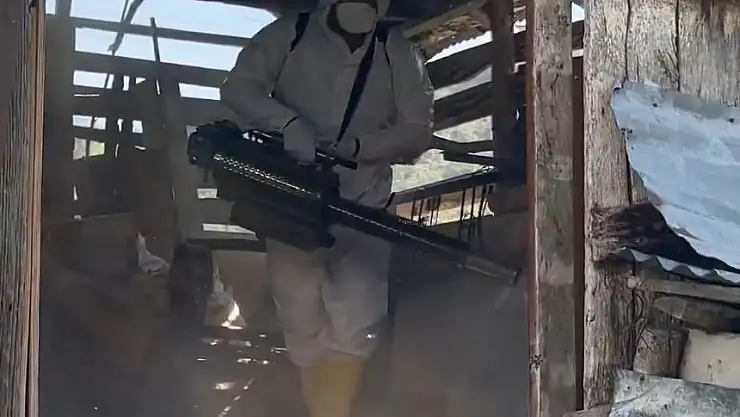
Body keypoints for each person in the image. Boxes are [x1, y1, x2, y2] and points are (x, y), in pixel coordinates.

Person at [220, 0, 434, 416]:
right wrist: (287, 124)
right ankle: (321, 404)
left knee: (357, 312)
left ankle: (332, 409)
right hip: (292, 201)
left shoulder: (397, 51)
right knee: (298, 307)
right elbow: (239, 88)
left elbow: (417, 129)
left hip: (363, 202)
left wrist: (360, 147)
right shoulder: (290, 34)